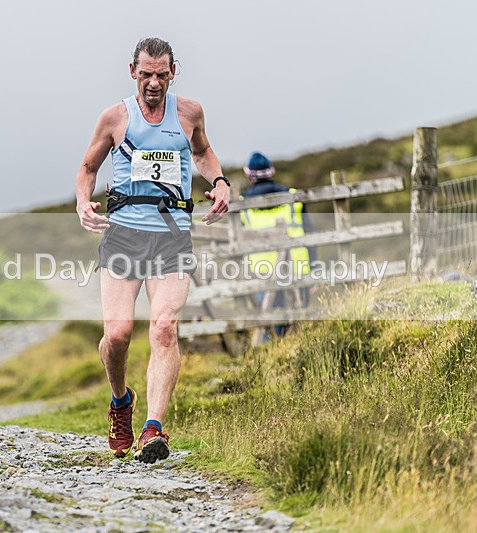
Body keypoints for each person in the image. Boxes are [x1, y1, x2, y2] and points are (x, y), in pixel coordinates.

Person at [75, 37, 229, 463]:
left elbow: (203, 152)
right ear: (133, 72)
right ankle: (121, 403)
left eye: (162, 75)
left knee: (163, 328)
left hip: (171, 233)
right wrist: (82, 202)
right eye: (146, 75)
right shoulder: (114, 117)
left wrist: (219, 182)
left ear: (173, 72)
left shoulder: (189, 112)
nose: (154, 83)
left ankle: (153, 428)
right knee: (118, 335)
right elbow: (88, 167)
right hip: (124, 234)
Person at [240, 151, 315, 337]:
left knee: (269, 325)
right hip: (297, 268)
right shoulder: (293, 197)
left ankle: (270, 358)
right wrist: (313, 269)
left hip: (261, 271)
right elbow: (310, 235)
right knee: (299, 324)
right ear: (271, 172)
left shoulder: (241, 205)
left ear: (249, 175)